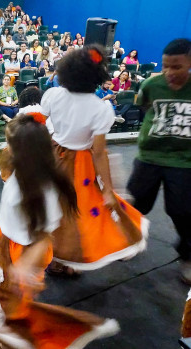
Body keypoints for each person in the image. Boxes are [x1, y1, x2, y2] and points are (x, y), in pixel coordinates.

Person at [0, 115, 120, 349]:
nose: (6, 148)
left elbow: (43, 239)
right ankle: (7, 340)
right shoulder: (20, 169)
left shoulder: (44, 191)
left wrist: (24, 267)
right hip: (3, 241)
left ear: (27, 152)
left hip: (21, 253)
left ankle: (12, 342)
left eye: (10, 144)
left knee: (9, 305)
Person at [40, 45, 147, 275]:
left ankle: (53, 257)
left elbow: (40, 125)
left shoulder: (53, 95)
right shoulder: (101, 109)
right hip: (80, 166)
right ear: (98, 76)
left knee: (51, 207)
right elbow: (98, 152)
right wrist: (108, 189)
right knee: (76, 213)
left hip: (52, 155)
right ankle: (67, 259)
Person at [126, 38, 191, 283]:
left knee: (183, 211)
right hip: (149, 157)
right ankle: (128, 243)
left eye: (177, 67)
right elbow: (143, 107)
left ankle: (187, 255)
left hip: (184, 161)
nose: (170, 72)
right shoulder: (152, 85)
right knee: (135, 204)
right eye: (166, 66)